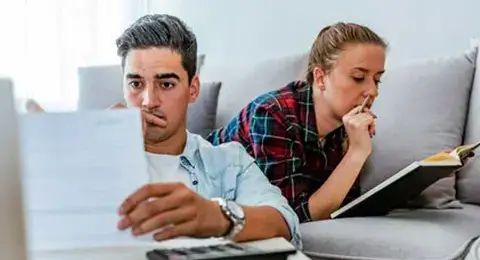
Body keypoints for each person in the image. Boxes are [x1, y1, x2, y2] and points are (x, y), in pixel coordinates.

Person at [29, 14, 301, 248]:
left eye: (166, 84)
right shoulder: (89, 152)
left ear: (193, 89)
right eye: (136, 84)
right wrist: (95, 149)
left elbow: (285, 223)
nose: (148, 101)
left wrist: (215, 216)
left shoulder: (229, 160)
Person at [208, 22, 387, 223]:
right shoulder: (272, 114)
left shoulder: (347, 126)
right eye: (358, 77)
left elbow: (341, 205)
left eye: (377, 79)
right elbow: (290, 216)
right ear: (320, 78)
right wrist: (356, 153)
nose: (373, 91)